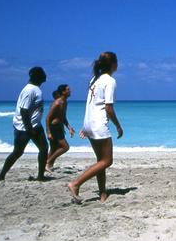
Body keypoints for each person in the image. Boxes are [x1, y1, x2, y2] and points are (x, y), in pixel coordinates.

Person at [68, 52, 124, 203]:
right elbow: (108, 108)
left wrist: (84, 126)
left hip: (89, 123)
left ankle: (103, 193)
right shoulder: (110, 81)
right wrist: (118, 126)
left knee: (100, 160)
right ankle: (76, 183)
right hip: (98, 124)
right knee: (107, 161)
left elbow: (91, 105)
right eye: (117, 61)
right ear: (113, 64)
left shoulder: (94, 79)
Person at [0, 67, 48, 181]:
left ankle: (40, 176)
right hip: (24, 127)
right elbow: (24, 110)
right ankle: (1, 175)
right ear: (38, 76)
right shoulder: (29, 90)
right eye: (43, 74)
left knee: (44, 149)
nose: (45, 76)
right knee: (18, 152)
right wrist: (29, 129)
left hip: (35, 125)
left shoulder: (36, 89)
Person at [45, 84, 75, 172]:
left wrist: (69, 127)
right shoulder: (57, 103)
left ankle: (47, 166)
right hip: (53, 127)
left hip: (59, 126)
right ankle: (48, 162)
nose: (70, 91)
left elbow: (63, 117)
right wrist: (48, 132)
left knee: (53, 148)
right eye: (68, 90)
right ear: (63, 92)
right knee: (65, 147)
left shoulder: (65, 102)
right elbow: (47, 118)